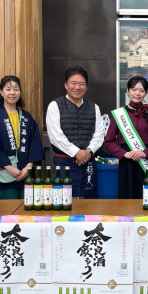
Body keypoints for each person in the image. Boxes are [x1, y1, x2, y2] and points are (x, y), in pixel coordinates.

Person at [46, 66, 106, 199]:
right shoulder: (55, 105)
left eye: (81, 84)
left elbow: (99, 134)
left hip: (88, 163)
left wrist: (87, 152)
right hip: (64, 164)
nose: (77, 87)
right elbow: (56, 136)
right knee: (63, 202)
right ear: (66, 85)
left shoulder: (94, 107)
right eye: (73, 83)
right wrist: (76, 152)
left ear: (86, 87)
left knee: (89, 204)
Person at [0, 76, 44, 199]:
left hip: (25, 176)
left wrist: (29, 166)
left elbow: (35, 143)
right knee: (5, 215)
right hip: (2, 179)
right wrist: (9, 167)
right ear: (1, 92)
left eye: (16, 89)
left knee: (26, 215)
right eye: (8, 89)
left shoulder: (27, 117)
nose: (12, 93)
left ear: (20, 92)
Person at [104, 76, 148, 199]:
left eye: (141, 90)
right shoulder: (119, 114)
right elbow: (109, 141)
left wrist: (145, 153)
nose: (137, 93)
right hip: (126, 162)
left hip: (145, 161)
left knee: (145, 196)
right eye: (134, 89)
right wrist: (124, 154)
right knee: (127, 195)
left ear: (146, 93)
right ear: (127, 91)